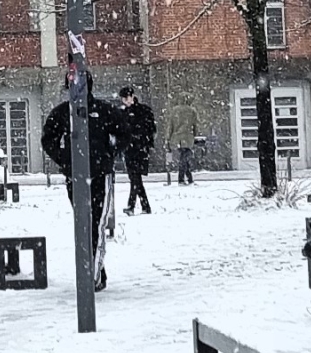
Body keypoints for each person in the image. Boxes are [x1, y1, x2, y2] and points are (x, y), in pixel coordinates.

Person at [43, 61, 125, 290]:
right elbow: (48, 139)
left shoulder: (104, 110)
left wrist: (110, 153)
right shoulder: (62, 113)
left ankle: (93, 274)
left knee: (96, 223)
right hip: (76, 176)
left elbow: (125, 133)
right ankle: (94, 268)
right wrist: (65, 159)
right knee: (84, 223)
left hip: (100, 174)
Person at [118, 86, 157, 215]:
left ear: (133, 96)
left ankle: (131, 206)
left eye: (128, 98)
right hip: (130, 148)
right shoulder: (123, 113)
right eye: (124, 99)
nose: (126, 101)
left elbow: (150, 128)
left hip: (140, 148)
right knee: (135, 178)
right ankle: (145, 206)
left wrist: (142, 140)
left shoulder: (143, 111)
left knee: (135, 177)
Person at [164, 100, 199, 185]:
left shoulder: (174, 111)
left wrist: (168, 138)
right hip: (188, 137)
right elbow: (196, 125)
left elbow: (170, 126)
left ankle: (188, 179)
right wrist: (195, 135)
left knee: (183, 158)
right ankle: (182, 179)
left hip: (177, 137)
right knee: (184, 158)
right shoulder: (192, 111)